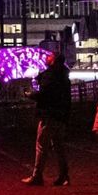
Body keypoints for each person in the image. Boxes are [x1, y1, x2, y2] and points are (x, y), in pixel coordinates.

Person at [22, 53, 71, 186]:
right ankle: (64, 175)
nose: (46, 58)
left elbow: (45, 95)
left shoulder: (50, 75)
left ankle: (37, 176)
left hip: (48, 115)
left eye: (49, 57)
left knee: (41, 145)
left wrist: (30, 94)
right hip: (61, 116)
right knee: (59, 146)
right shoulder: (64, 76)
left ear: (53, 60)